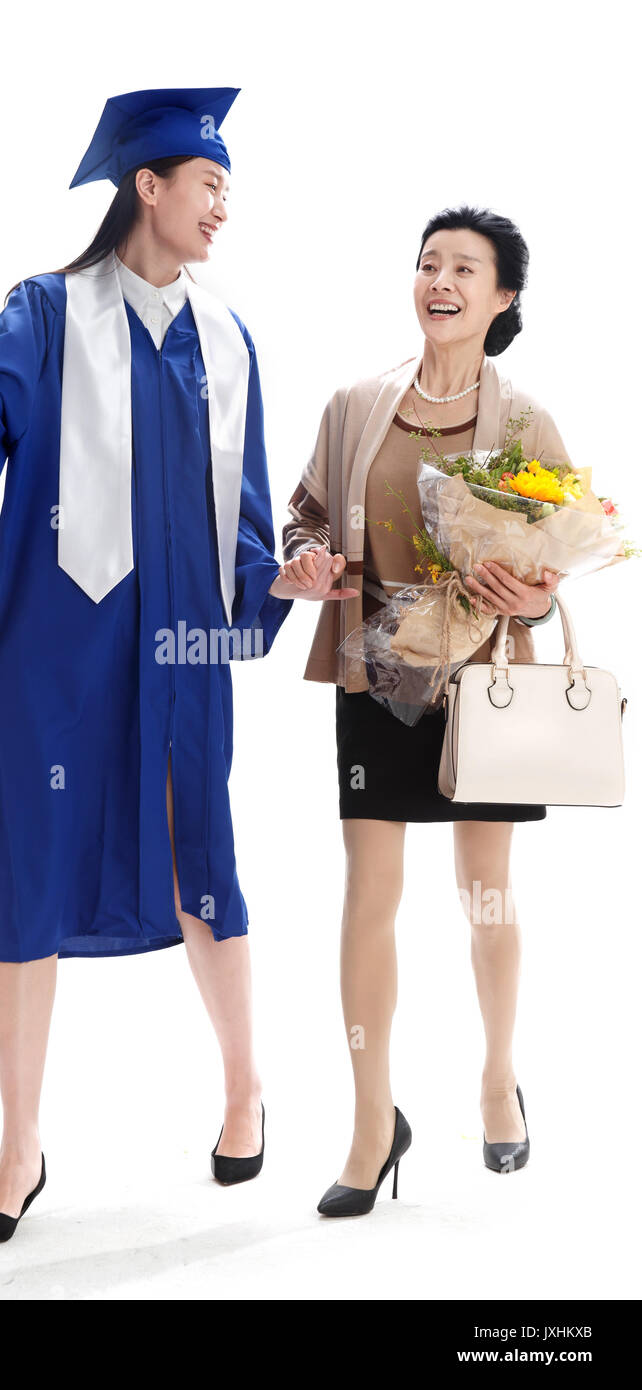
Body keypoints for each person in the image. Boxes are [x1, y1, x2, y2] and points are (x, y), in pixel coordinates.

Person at [0, 86, 352, 1242]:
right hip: (56, 645)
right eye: (206, 185)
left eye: (227, 189)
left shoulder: (229, 339)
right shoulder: (48, 313)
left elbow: (245, 524)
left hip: (182, 649)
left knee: (201, 851)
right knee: (27, 870)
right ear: (146, 186)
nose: (221, 208)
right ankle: (18, 1146)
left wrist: (285, 579)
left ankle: (244, 1087)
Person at [281, 205, 569, 1216]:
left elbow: (555, 556)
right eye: (425, 262)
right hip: (377, 670)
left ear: (500, 299)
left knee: (484, 893)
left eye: (462, 267)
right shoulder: (356, 403)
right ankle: (371, 1123)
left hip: (480, 683)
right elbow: (304, 517)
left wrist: (531, 596)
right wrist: (307, 561)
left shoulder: (523, 419)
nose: (437, 278)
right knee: (369, 892)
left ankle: (496, 1079)